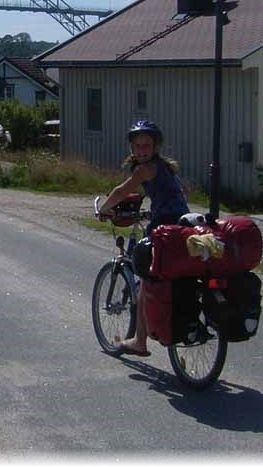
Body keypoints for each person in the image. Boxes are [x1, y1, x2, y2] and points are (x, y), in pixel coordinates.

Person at [96, 119, 190, 357]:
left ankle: (139, 341)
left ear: (155, 147)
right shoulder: (165, 167)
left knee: (146, 282)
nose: (141, 150)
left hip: (163, 229)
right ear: (132, 148)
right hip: (180, 223)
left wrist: (104, 208)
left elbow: (121, 191)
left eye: (146, 146)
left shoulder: (145, 169)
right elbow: (175, 194)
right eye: (137, 146)